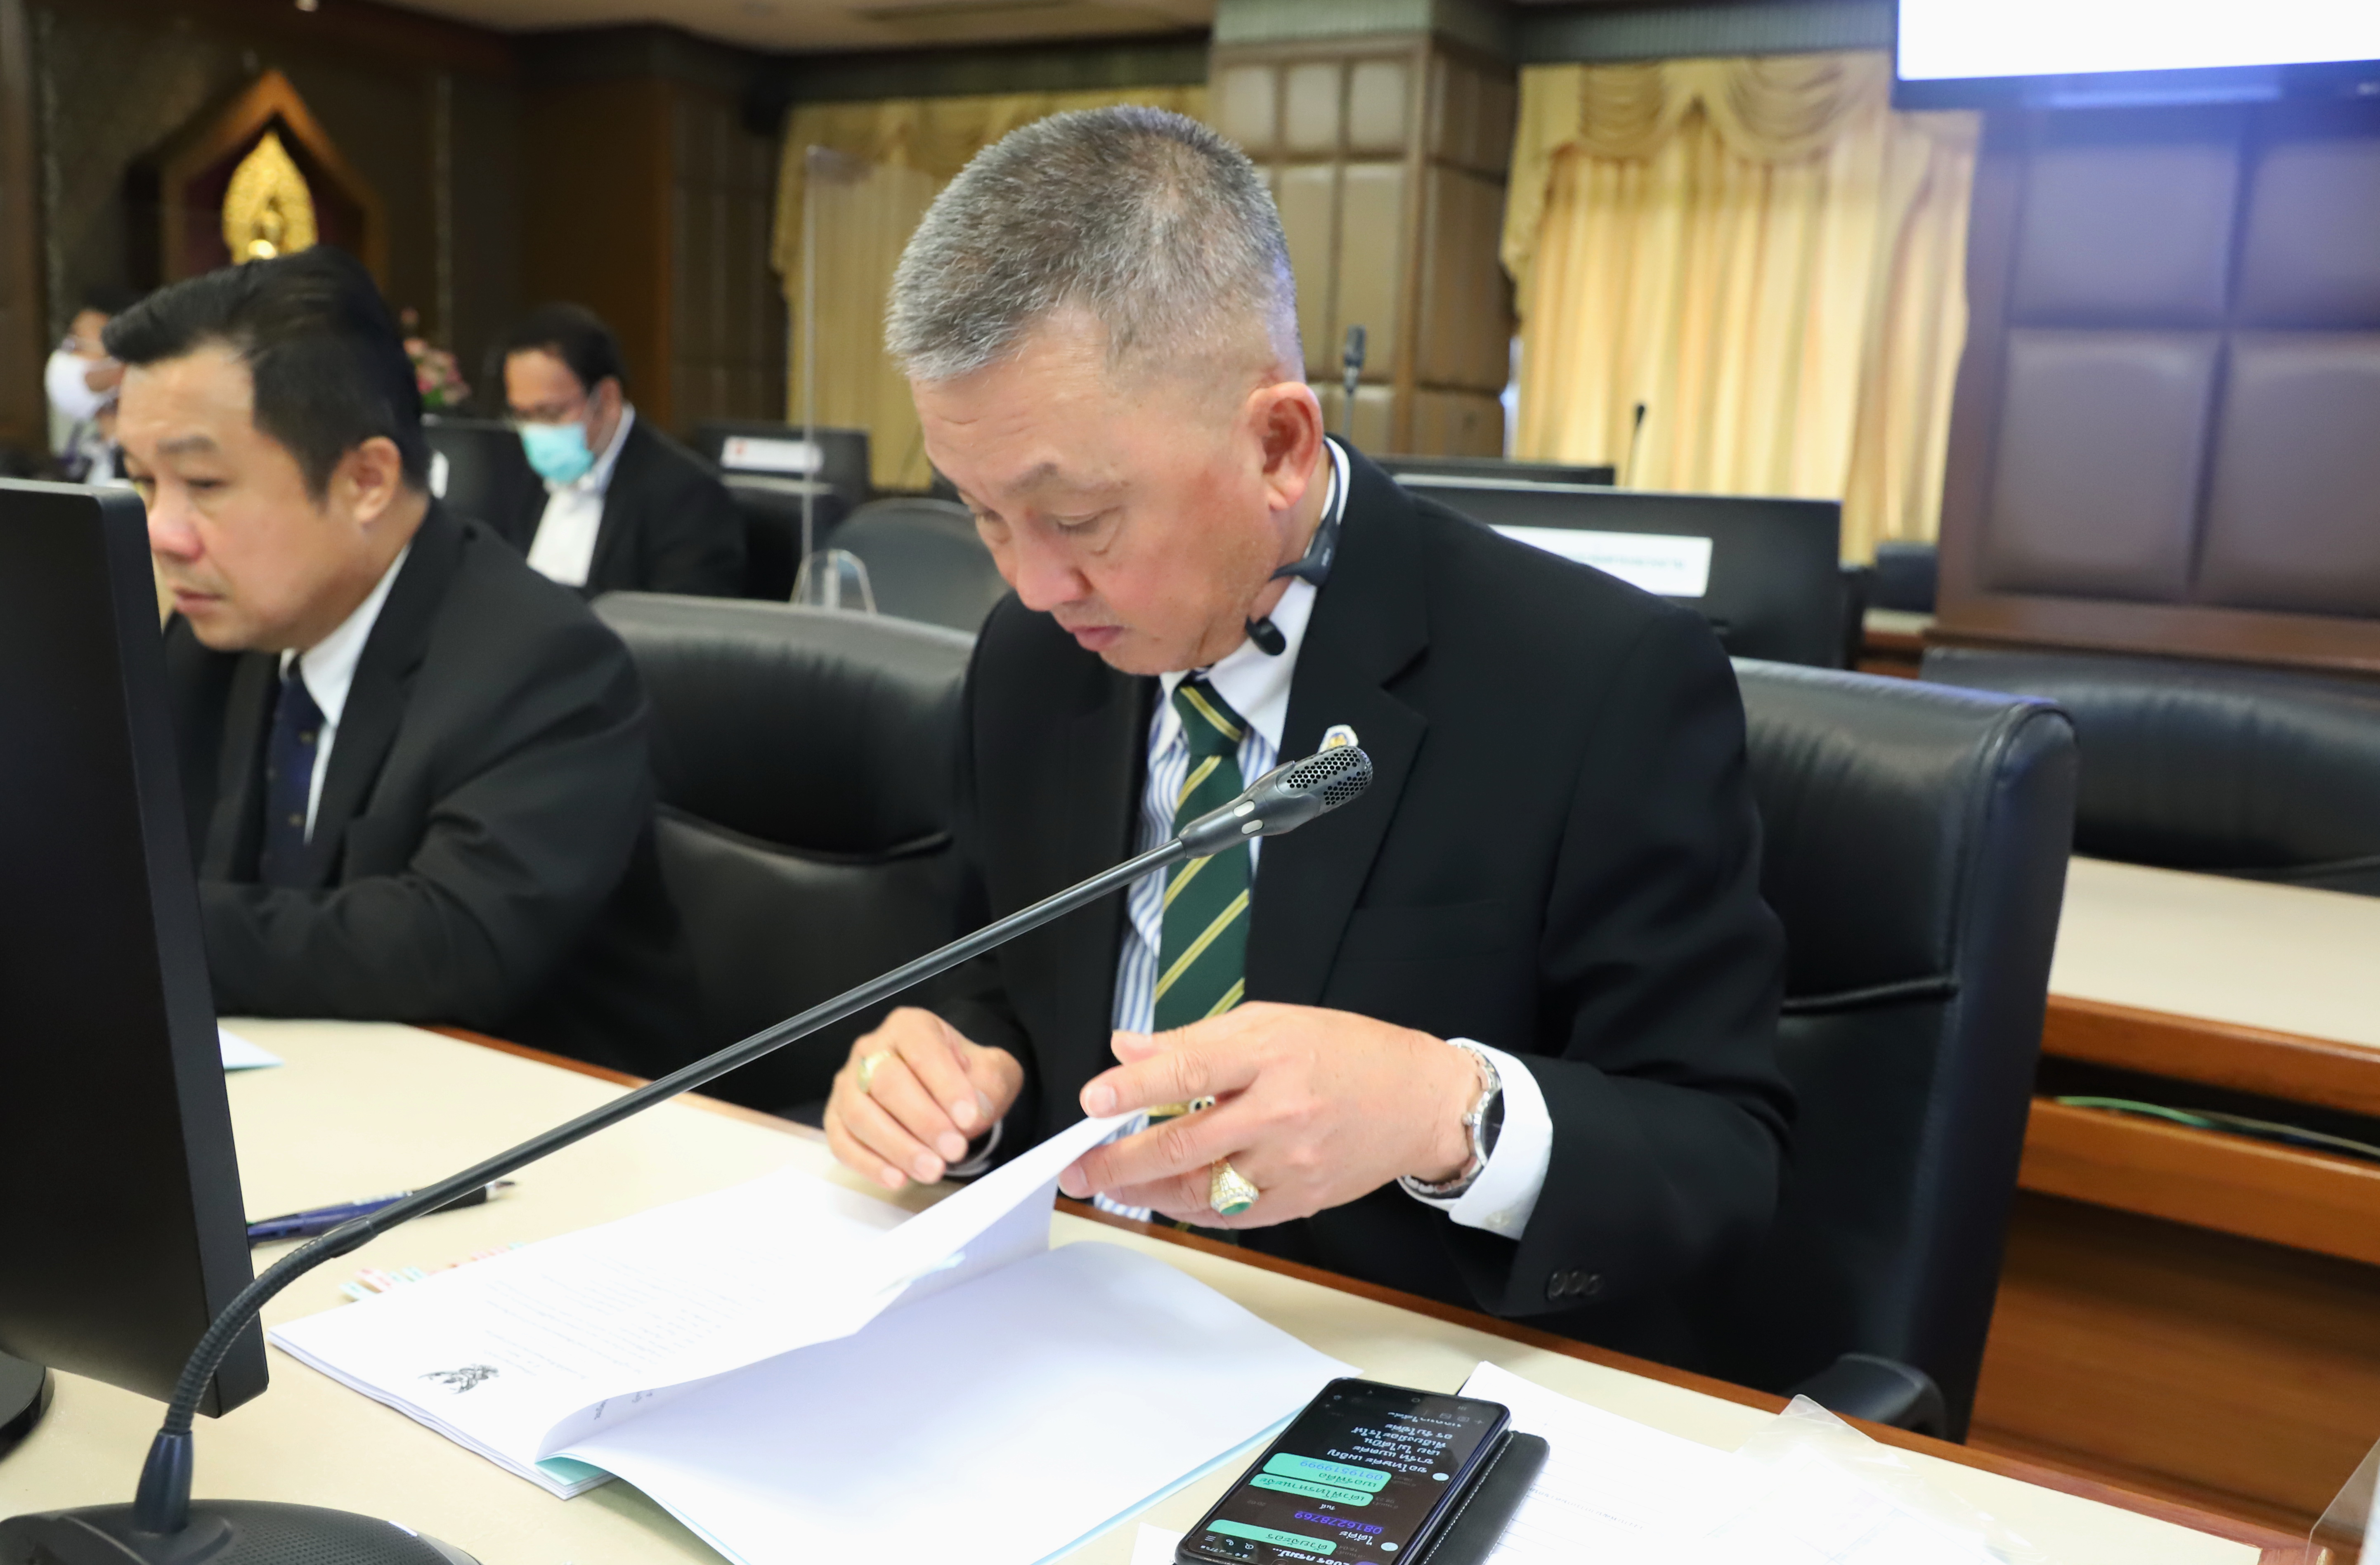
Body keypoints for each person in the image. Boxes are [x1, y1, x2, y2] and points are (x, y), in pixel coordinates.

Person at [820, 107, 1793, 1365]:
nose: (1032, 583)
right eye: (982, 515)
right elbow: (1002, 978)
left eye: (1079, 517)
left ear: (1276, 444)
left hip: (1385, 1362)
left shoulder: (1595, 677)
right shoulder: (1029, 658)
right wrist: (948, 1071)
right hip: (1062, 1334)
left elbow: (1721, 1158)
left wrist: (1443, 1110)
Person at [110, 247, 696, 1077]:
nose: (162, 532)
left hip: (535, 1113)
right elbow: (131, 844)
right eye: (143, 482)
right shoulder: (218, 635)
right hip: (314, 1088)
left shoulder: (544, 662)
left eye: (202, 484)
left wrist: (129, 928)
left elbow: (449, 943)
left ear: (367, 480)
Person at [488, 304, 745, 597]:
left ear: (607, 398)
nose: (535, 431)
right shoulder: (513, 475)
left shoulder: (686, 496)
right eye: (522, 415)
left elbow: (679, 620)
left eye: (551, 413)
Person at [46, 286, 139, 482]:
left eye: (78, 346)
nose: (65, 359)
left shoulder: (143, 463)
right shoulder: (89, 455)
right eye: (68, 344)